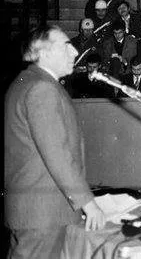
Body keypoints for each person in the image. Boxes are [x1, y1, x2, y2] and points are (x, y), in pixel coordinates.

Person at [5, 25, 105, 258]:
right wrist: (88, 204)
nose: (74, 52)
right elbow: (56, 153)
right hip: (44, 214)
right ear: (45, 52)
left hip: (33, 211)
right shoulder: (42, 88)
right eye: (66, 46)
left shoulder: (26, 81)